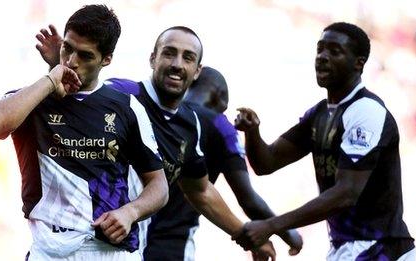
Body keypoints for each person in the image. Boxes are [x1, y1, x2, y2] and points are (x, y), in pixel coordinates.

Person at [35, 25, 277, 260]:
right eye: (169, 53)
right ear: (153, 58)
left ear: (197, 71)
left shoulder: (189, 124)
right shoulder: (122, 95)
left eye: (188, 57)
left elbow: (200, 191)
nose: (177, 64)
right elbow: (77, 100)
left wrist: (247, 237)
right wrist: (59, 65)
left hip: (130, 246)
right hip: (75, 242)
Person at [0, 5, 168, 261]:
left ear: (106, 59)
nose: (71, 62)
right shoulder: (33, 100)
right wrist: (50, 78)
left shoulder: (127, 107)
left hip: (112, 251)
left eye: (85, 55)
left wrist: (130, 212)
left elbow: (159, 185)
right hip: (50, 251)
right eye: (67, 48)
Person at [233, 22, 416, 260]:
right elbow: (266, 163)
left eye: (334, 51)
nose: (322, 57)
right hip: (347, 247)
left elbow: (347, 192)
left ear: (359, 63)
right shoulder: (319, 114)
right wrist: (252, 132)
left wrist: (272, 225)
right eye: (320, 49)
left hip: (380, 247)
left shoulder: (366, 111)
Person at [142, 66, 303, 261]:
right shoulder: (219, 124)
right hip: (172, 246)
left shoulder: (153, 113)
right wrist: (289, 234)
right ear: (220, 99)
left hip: (130, 240)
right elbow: (248, 200)